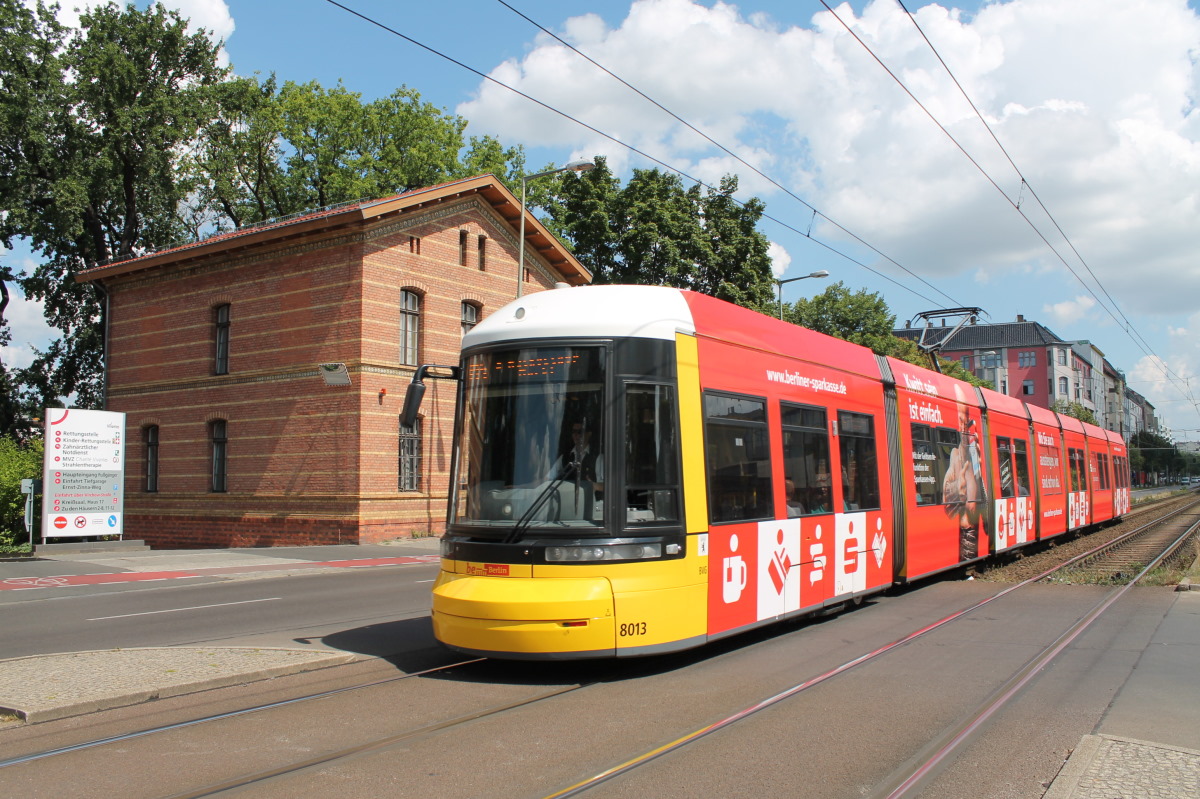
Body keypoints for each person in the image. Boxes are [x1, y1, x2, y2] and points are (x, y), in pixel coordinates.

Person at [943, 390, 986, 561]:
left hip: (975, 531)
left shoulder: (974, 453)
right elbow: (946, 500)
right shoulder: (954, 455)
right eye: (959, 420)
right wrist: (958, 488)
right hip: (964, 532)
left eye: (965, 420)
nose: (963, 426)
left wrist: (979, 466)